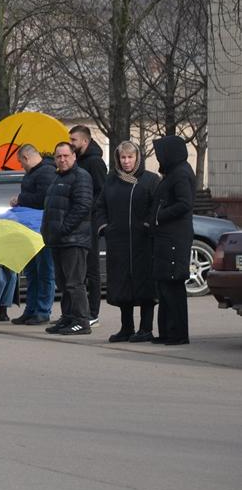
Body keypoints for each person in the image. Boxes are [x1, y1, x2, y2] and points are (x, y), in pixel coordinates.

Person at [92, 141, 159, 341]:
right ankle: (126, 328)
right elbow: (100, 207)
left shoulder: (150, 180)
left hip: (143, 244)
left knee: (145, 286)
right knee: (122, 286)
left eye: (130, 157)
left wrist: (148, 225)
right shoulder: (111, 180)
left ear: (137, 158)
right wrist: (105, 227)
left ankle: (145, 329)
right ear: (117, 159)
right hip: (118, 243)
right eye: (123, 157)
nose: (127, 161)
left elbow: (156, 206)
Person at [42, 142, 94, 336]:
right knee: (63, 283)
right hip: (58, 240)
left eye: (65, 156)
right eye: (58, 156)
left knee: (74, 282)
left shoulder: (81, 177)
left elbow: (82, 206)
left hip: (74, 239)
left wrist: (63, 229)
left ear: (74, 156)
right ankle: (68, 317)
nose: (62, 159)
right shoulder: (58, 177)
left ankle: (82, 321)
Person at [149, 135, 195, 346]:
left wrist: (159, 216)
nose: (159, 157)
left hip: (175, 237)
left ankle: (178, 333)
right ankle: (167, 331)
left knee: (173, 285)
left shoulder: (181, 174)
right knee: (164, 285)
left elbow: (184, 204)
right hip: (165, 237)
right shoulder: (172, 173)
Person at [10, 145, 57, 325]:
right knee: (31, 272)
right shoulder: (33, 173)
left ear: (26, 157)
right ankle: (31, 309)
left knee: (44, 271)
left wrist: (20, 199)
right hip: (30, 229)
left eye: (21, 161)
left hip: (42, 230)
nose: (21, 166)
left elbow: (44, 198)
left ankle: (43, 311)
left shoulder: (46, 173)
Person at [70, 124, 108, 326]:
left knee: (92, 270)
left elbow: (102, 192)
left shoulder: (94, 162)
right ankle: (78, 312)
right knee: (79, 271)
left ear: (85, 141)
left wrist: (88, 209)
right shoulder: (79, 162)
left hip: (91, 222)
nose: (71, 144)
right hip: (80, 222)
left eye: (74, 140)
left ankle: (93, 313)